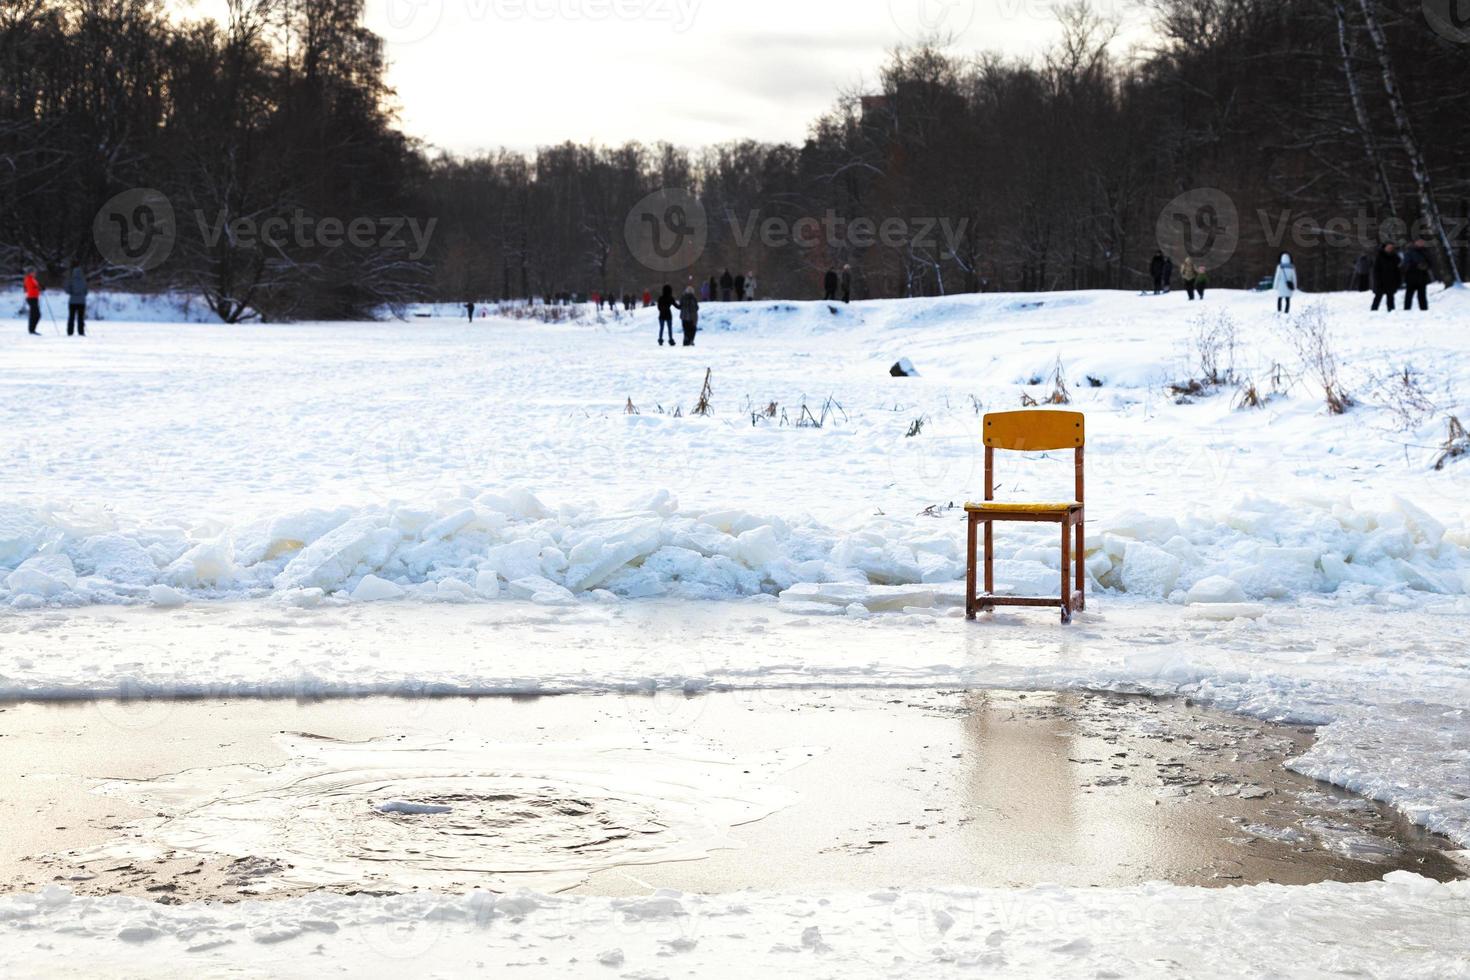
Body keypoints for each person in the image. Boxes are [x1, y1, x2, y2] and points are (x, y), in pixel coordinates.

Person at [1402, 239, 1432, 312]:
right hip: (1411, 277)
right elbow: (1406, 264)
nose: (1421, 243)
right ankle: (1406, 310)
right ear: (1415, 242)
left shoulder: (1426, 251)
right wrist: (1416, 266)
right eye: (1419, 242)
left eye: (1422, 242)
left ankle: (1424, 310)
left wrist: (1426, 266)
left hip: (1422, 277)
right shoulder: (1409, 251)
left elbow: (1431, 263)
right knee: (1409, 295)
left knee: (1422, 295)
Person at [1371, 243, 1401, 312]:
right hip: (1381, 280)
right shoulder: (1379, 256)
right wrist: (1377, 280)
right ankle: (1373, 311)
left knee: (1390, 297)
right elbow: (1376, 270)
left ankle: (1391, 311)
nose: (1390, 249)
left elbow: (1398, 269)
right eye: (1388, 247)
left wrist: (1397, 281)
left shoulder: (1395, 257)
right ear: (1384, 248)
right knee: (1378, 296)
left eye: (1391, 247)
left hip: (1391, 280)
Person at [66, 266, 88, 336]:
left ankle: (70, 332)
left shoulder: (71, 280)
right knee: (80, 317)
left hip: (72, 301)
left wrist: (72, 293)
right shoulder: (83, 281)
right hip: (81, 302)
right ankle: (81, 332)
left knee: (71, 317)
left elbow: (67, 290)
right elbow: (86, 291)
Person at [23, 268, 42, 335]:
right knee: (36, 315)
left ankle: (32, 330)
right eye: (33, 272)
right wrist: (39, 287)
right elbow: (31, 288)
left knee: (35, 314)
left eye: (35, 272)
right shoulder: (28, 279)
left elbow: (36, 287)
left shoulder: (33, 279)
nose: (35, 273)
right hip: (31, 298)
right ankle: (32, 330)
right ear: (30, 273)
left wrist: (39, 287)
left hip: (34, 298)